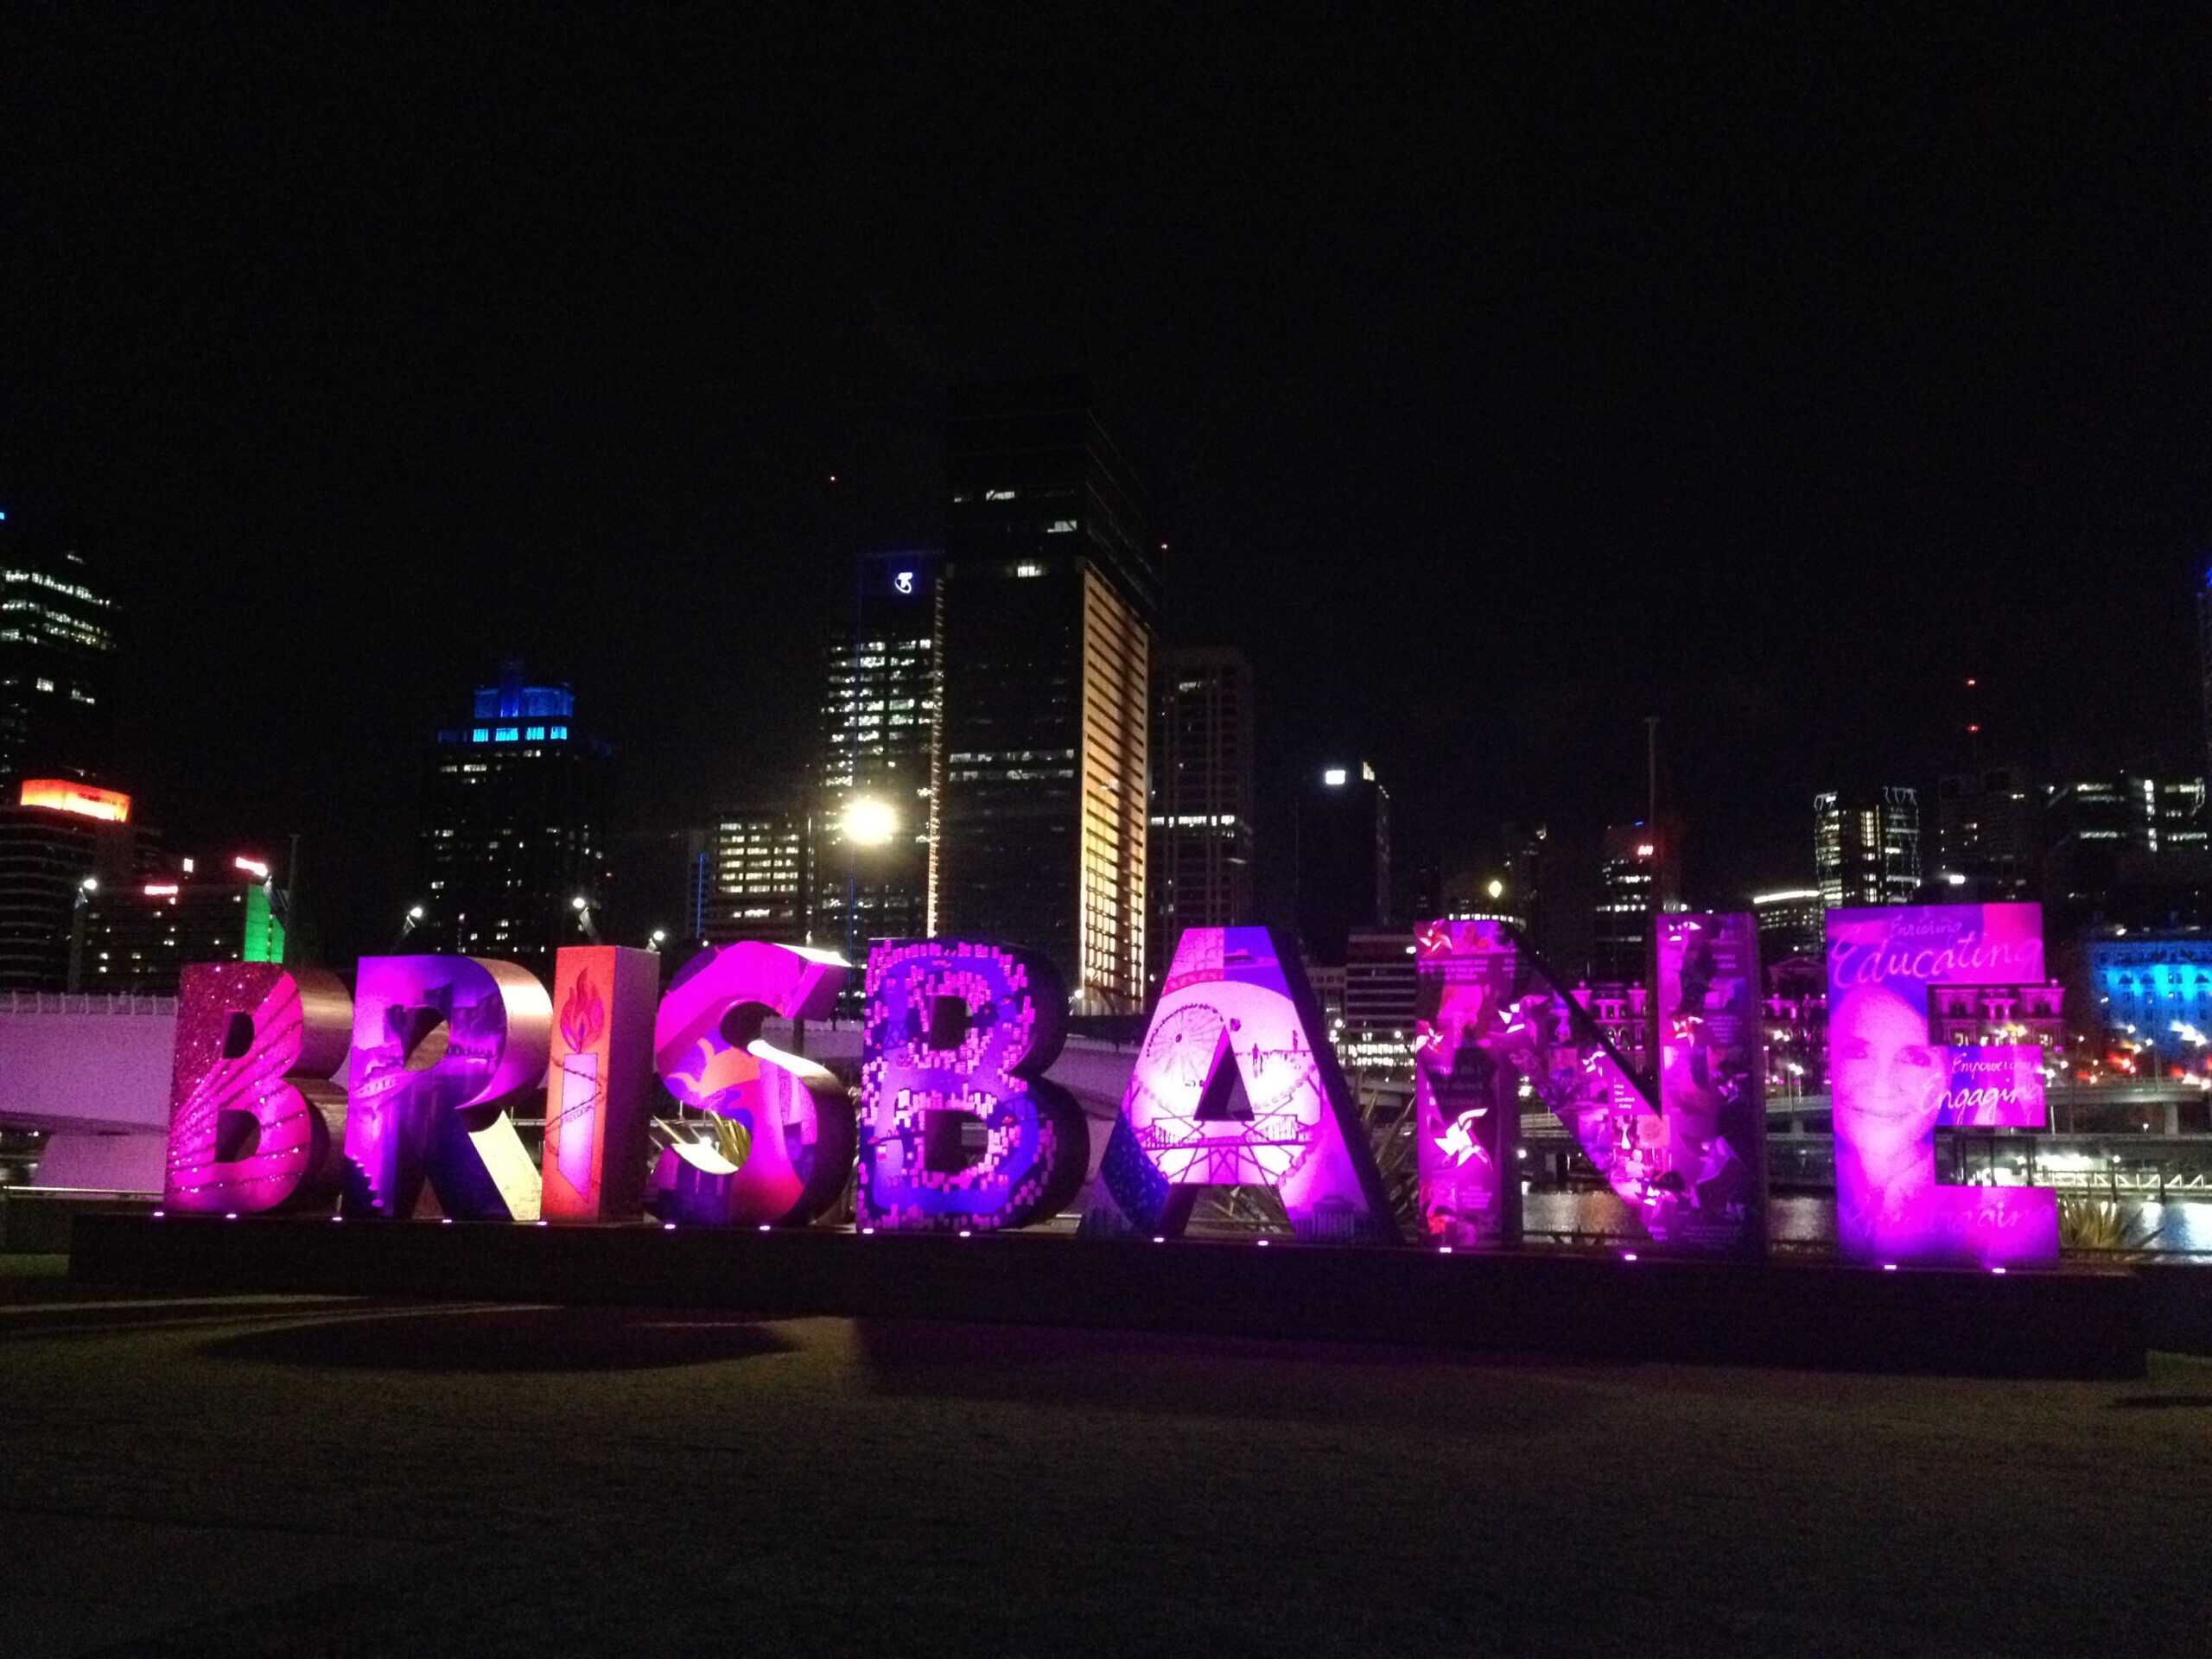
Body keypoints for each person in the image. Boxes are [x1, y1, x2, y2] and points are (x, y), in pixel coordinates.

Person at [1829, 981, 1944, 1247]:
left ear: (1950, 1076)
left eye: (1916, 1058)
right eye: (1857, 1053)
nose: (1881, 1086)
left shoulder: (1983, 1201)